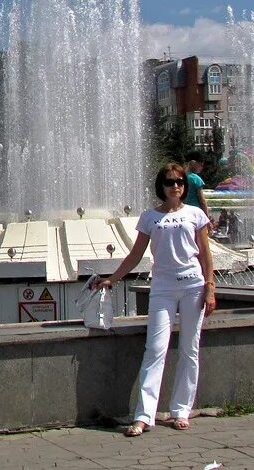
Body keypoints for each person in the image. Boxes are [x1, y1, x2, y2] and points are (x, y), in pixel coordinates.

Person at [91, 163, 216, 436]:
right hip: (163, 288)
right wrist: (113, 278)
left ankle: (181, 410)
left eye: (180, 182)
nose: (176, 186)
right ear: (161, 186)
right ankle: (144, 416)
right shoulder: (149, 217)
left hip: (193, 285)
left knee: (189, 349)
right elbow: (136, 255)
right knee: (155, 349)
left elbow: (205, 253)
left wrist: (210, 287)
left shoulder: (195, 214)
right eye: (170, 182)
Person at [183, 151, 211, 223]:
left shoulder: (182, 177)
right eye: (200, 164)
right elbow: (202, 201)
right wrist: (206, 218)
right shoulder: (196, 179)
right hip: (196, 213)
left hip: (183, 212)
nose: (202, 166)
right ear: (192, 163)